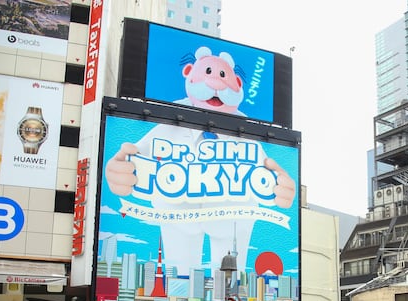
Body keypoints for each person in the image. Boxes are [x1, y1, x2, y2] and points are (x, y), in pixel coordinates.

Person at [104, 47, 296, 277]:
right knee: (178, 277)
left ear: (237, 83)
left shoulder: (248, 133)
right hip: (177, 215)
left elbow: (274, 171)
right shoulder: (169, 120)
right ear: (188, 72)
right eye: (208, 72)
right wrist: (117, 171)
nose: (216, 83)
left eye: (224, 77)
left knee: (231, 284)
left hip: (233, 219)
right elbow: (132, 155)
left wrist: (283, 188)